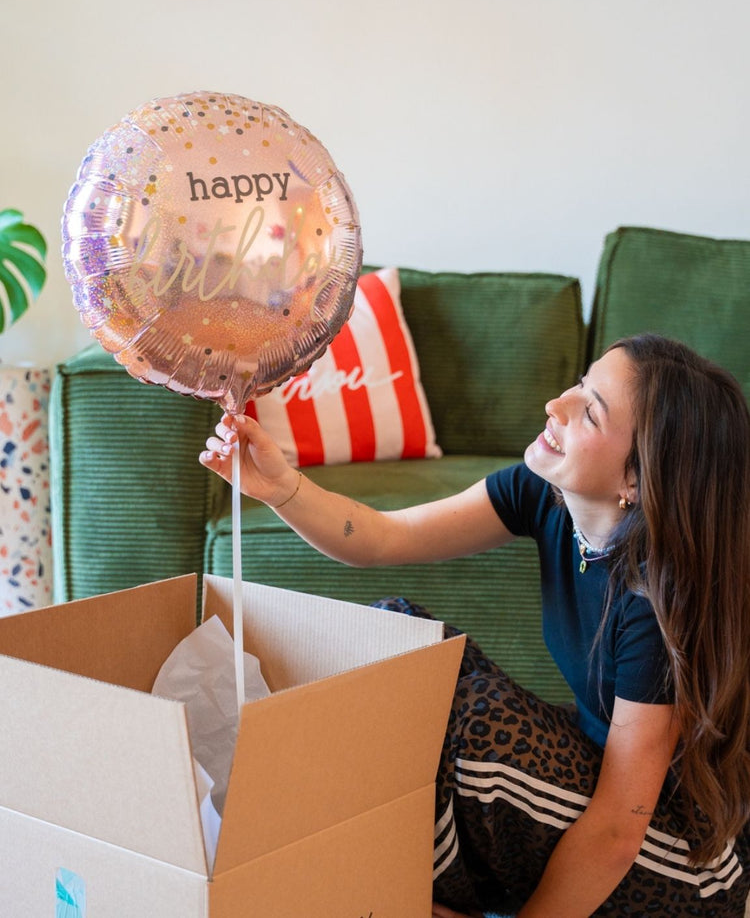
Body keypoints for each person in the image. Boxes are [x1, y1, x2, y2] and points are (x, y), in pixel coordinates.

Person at [200, 333, 750, 917]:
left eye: (589, 411)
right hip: (594, 784)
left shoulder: (653, 604)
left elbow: (618, 829)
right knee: (402, 639)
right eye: (580, 385)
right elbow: (387, 537)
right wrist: (283, 488)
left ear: (636, 482)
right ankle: (350, 872)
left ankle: (388, 890)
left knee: (479, 732)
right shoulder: (544, 496)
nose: (556, 406)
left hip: (689, 862)